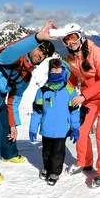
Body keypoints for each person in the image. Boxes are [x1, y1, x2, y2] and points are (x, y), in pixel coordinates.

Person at [0, 20, 57, 185]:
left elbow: (13, 102)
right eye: (40, 49)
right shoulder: (10, 58)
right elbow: (15, 48)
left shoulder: (25, 76)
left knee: (6, 125)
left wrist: (14, 124)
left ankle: (9, 154)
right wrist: (37, 37)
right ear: (32, 47)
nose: (41, 55)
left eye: (45, 55)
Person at [58, 23, 100, 188]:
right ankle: (84, 162)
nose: (71, 43)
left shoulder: (97, 53)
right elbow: (72, 79)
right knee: (80, 129)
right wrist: (63, 95)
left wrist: (83, 95)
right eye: (66, 40)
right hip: (91, 98)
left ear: (81, 36)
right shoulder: (70, 59)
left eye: (73, 38)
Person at [29, 58, 81, 186]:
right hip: (46, 129)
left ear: (64, 72)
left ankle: (55, 172)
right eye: (52, 69)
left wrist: (75, 127)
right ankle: (47, 168)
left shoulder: (69, 91)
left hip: (61, 129)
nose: (54, 71)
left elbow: (74, 111)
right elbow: (37, 111)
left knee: (57, 152)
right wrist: (33, 128)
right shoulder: (42, 91)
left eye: (57, 69)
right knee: (46, 151)